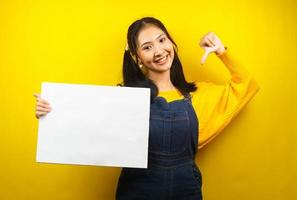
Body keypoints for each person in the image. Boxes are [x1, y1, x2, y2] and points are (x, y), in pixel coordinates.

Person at [34, 17, 259, 200]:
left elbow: (247, 84)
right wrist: (50, 114)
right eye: (147, 47)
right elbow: (84, 128)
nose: (159, 51)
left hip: (186, 190)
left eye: (162, 40)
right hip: (138, 190)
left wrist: (222, 51)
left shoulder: (200, 95)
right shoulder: (124, 99)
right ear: (138, 57)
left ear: (172, 43)